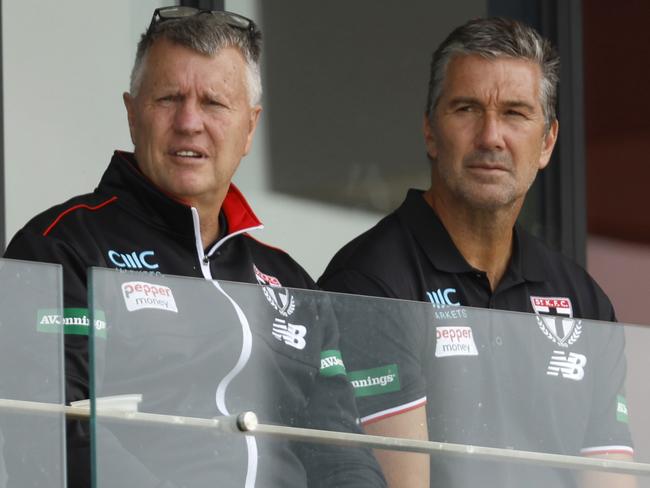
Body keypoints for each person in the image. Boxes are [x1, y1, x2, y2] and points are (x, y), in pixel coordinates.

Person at [4, 7, 385, 488]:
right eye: (168, 98)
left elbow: (341, 454)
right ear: (131, 112)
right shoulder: (60, 247)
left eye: (213, 103)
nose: (189, 122)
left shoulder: (289, 281)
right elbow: (47, 433)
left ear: (249, 127)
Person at [319, 17, 635, 488]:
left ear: (547, 141)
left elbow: (609, 478)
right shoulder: (371, 281)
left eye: (514, 113)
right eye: (467, 108)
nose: (491, 137)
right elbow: (401, 483)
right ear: (430, 131)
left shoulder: (584, 300)